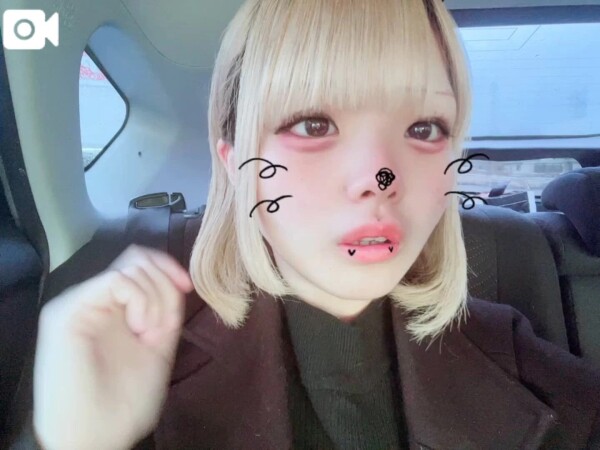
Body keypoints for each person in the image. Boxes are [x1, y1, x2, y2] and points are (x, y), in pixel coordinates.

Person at [22, 0, 600, 449]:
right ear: (238, 166)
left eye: (424, 129)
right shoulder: (125, 369)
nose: (378, 178)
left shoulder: (526, 362)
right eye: (314, 124)